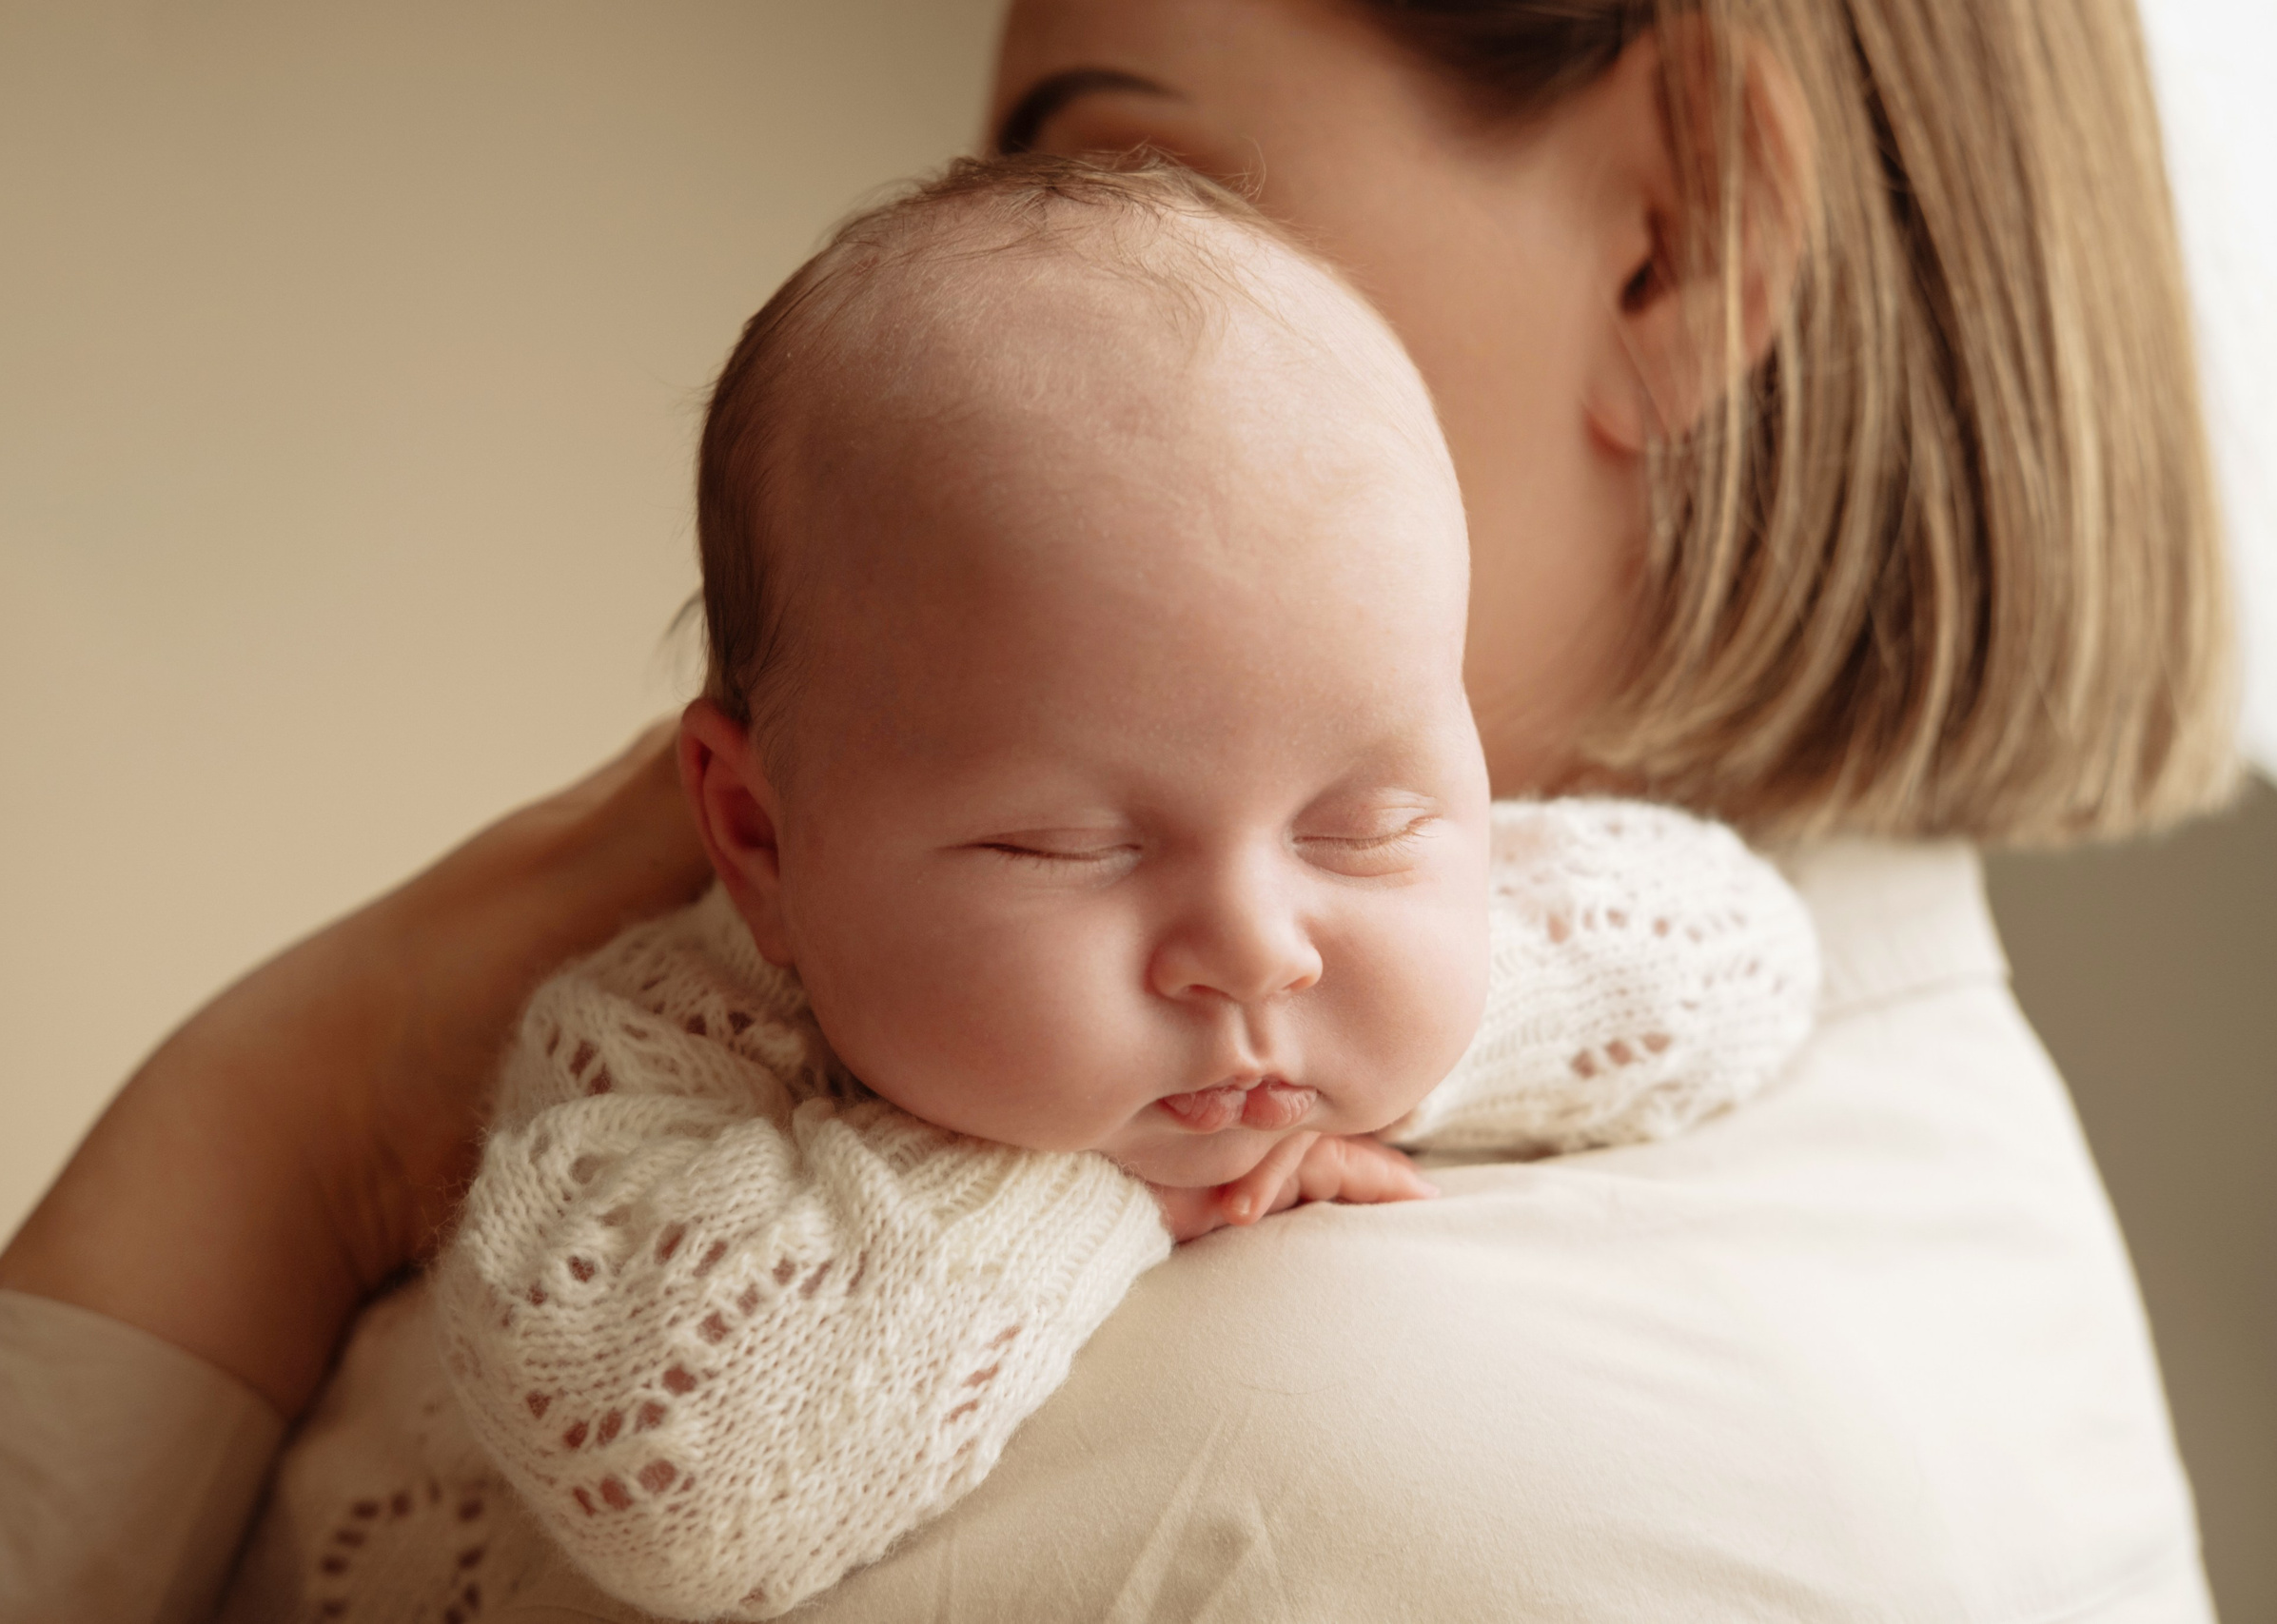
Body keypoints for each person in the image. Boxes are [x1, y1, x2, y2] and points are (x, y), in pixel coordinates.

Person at [0, 1, 2237, 1620]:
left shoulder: (1291, 1448)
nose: (1043, 295)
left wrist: (301, 1103)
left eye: (1109, 165)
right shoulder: (1910, 1203)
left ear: (1675, 225)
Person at [213, 155, 1816, 1624]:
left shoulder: (1349, 947)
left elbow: (1744, 956)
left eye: (1364, 822)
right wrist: (1098, 1187)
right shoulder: (662, 1046)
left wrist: (1412, 1022)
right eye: (1074, 849)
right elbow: (679, 1474)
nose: (1257, 946)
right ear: (764, 843)